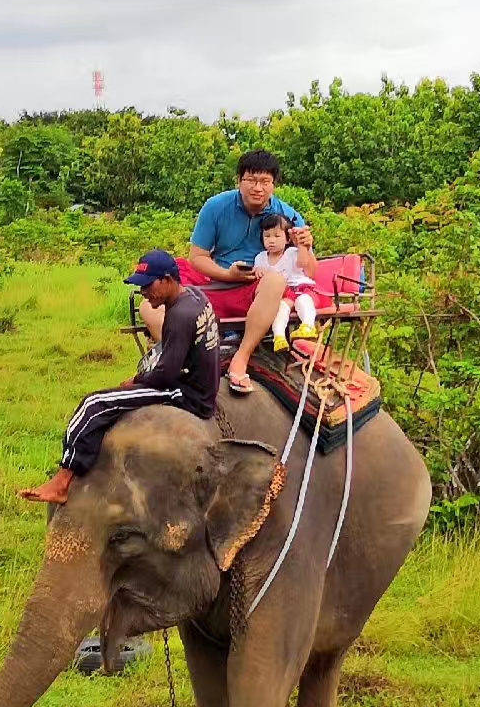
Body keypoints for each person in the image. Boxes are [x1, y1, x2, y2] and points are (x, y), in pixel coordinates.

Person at [19, 250, 220, 505]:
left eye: (148, 286)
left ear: (168, 280)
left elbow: (166, 374)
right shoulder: (194, 296)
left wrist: (137, 380)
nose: (144, 292)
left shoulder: (179, 315)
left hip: (186, 393)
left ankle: (62, 481)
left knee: (94, 405)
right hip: (199, 383)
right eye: (141, 287)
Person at [139, 149, 313, 395]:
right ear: (239, 180)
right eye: (251, 180)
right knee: (150, 302)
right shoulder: (216, 206)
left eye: (265, 182)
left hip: (255, 290)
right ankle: (180, 358)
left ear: (274, 185)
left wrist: (305, 245)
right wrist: (227, 274)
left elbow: (307, 268)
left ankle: (240, 359)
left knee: (275, 280)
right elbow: (197, 257)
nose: (258, 188)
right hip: (213, 283)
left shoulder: (287, 215)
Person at [255, 212, 330, 353]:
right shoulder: (260, 258)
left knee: (303, 300)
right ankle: (279, 336)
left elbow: (303, 262)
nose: (271, 240)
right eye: (267, 236)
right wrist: (257, 271)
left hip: (302, 288)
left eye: (277, 236)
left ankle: (308, 325)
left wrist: (302, 245)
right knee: (281, 308)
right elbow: (258, 276)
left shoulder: (291, 253)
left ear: (287, 238)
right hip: (285, 294)